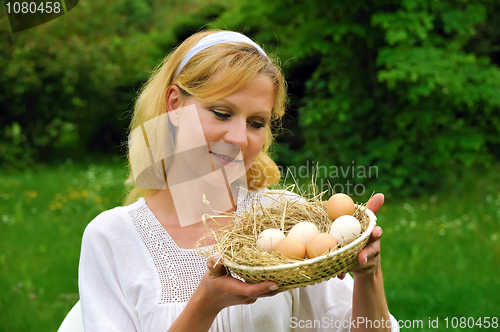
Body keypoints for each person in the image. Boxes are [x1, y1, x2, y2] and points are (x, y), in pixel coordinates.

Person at [78, 29, 400, 332]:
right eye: (221, 113)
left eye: (256, 123)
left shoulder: (284, 218)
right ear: (174, 104)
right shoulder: (113, 239)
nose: (239, 139)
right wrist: (206, 304)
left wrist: (368, 274)